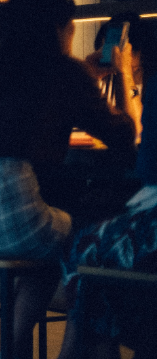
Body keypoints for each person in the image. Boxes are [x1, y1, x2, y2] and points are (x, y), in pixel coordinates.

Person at [0, 0, 136, 359]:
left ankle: (11, 350)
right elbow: (124, 136)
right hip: (10, 221)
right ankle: (76, 349)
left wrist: (83, 76)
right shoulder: (65, 72)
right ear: (60, 28)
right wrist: (122, 73)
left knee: (50, 239)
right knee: (89, 237)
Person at [56, 18, 157, 359]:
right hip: (127, 198)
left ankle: (81, 347)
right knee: (88, 220)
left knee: (85, 240)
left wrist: (127, 75)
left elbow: (137, 139)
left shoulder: (145, 84)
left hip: (142, 201)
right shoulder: (107, 84)